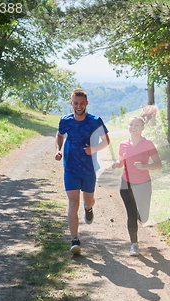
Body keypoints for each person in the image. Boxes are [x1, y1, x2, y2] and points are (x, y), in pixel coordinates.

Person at [55, 89, 110, 255]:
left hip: (89, 169)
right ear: (71, 103)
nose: (78, 106)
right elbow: (59, 135)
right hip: (70, 168)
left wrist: (93, 149)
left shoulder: (95, 121)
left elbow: (106, 141)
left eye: (81, 103)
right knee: (73, 202)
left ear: (86, 103)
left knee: (88, 201)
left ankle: (89, 208)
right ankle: (75, 240)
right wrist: (58, 150)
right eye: (75, 103)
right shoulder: (65, 121)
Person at [112, 116, 162, 256]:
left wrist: (145, 166)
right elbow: (121, 161)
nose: (133, 127)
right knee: (131, 213)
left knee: (144, 216)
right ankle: (134, 244)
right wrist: (117, 164)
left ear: (142, 128)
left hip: (143, 183)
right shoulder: (123, 145)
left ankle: (142, 217)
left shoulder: (148, 144)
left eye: (137, 125)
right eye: (131, 124)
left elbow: (158, 164)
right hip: (126, 183)